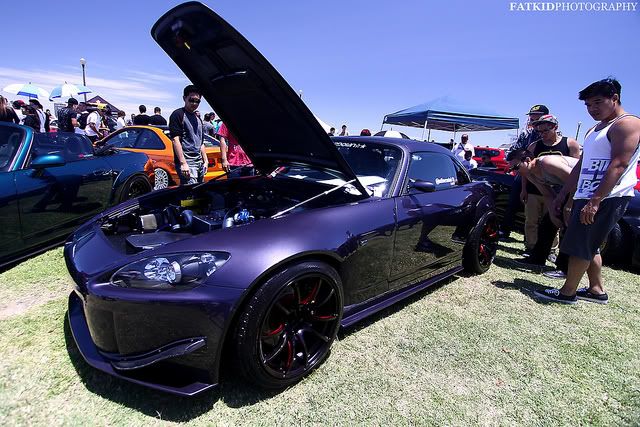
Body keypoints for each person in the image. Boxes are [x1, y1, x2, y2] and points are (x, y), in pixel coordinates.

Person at [534, 78, 640, 304]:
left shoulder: (627, 124)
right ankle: (596, 290)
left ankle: (567, 292)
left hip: (608, 196)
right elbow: (582, 165)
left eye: (597, 103)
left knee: (581, 243)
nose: (592, 109)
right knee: (589, 243)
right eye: (588, 105)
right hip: (585, 194)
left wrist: (595, 200)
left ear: (615, 98)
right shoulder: (595, 128)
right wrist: (563, 194)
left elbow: (619, 164)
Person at [500, 104, 549, 239]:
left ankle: (542, 240)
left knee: (546, 207)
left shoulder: (552, 134)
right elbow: (513, 151)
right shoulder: (526, 134)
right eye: (531, 119)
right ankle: (505, 230)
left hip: (546, 176)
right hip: (525, 172)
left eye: (536, 119)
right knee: (513, 200)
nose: (533, 122)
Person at [168, 85, 209, 185]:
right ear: (184, 98)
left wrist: (206, 161)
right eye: (191, 100)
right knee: (191, 192)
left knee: (199, 191)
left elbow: (201, 142)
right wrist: (183, 163)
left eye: (197, 101)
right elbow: (175, 140)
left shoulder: (198, 119)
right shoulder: (178, 114)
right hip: (187, 163)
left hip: (199, 163)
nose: (194, 103)